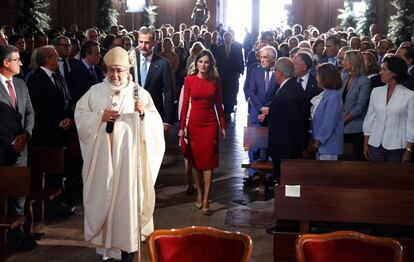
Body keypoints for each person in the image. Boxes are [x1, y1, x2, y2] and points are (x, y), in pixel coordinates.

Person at [74, 47, 165, 261]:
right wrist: (100, 116)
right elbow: (80, 115)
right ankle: (107, 249)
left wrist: (143, 113)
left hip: (129, 161)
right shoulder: (95, 91)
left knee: (127, 203)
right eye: (111, 70)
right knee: (104, 197)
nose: (115, 75)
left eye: (120, 71)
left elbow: (155, 125)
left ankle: (128, 246)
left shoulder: (139, 93)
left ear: (128, 70)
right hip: (104, 160)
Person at [178, 49, 226, 215]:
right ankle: (199, 191)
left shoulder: (215, 81)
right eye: (200, 62)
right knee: (196, 161)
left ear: (210, 64)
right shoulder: (189, 80)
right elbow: (184, 105)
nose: (203, 65)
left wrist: (223, 125)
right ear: (196, 63)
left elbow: (219, 105)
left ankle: (206, 198)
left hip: (210, 124)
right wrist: (181, 128)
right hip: (194, 124)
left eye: (206, 62)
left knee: (209, 162)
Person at [0, 44, 35, 250]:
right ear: (6, 63)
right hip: (3, 149)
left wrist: (26, 134)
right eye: (16, 59)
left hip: (22, 149)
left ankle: (18, 235)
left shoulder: (21, 84)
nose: (21, 63)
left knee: (19, 194)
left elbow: (30, 112)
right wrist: (11, 140)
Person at [363, 55, 414, 163]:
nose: (380, 72)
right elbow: (370, 119)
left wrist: (409, 151)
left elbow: (411, 125)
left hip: (397, 147)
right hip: (375, 144)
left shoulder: (409, 95)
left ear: (394, 73)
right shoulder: (376, 92)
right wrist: (366, 143)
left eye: (384, 69)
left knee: (395, 179)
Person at [267, 57, 307, 184]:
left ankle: (286, 202)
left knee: (286, 181)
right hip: (285, 145)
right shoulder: (291, 86)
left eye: (274, 70)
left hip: (285, 147)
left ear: (280, 72)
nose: (273, 73)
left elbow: (292, 120)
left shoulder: (289, 91)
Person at [134, 26, 174, 132]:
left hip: (154, 113)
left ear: (154, 43)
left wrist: (167, 120)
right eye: (140, 42)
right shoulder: (131, 60)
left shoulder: (163, 64)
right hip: (132, 113)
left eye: (147, 43)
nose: (143, 46)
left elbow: (168, 93)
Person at [307, 63, 344, 160]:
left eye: (318, 75)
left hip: (329, 146)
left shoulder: (333, 96)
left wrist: (318, 141)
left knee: (327, 174)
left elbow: (329, 122)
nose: (316, 78)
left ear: (325, 77)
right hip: (321, 146)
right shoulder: (325, 94)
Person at [340, 50, 371, 160]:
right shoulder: (344, 78)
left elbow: (360, 107)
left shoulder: (364, 81)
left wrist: (342, 121)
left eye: (345, 60)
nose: (342, 62)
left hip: (354, 129)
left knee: (351, 162)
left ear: (353, 62)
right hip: (340, 128)